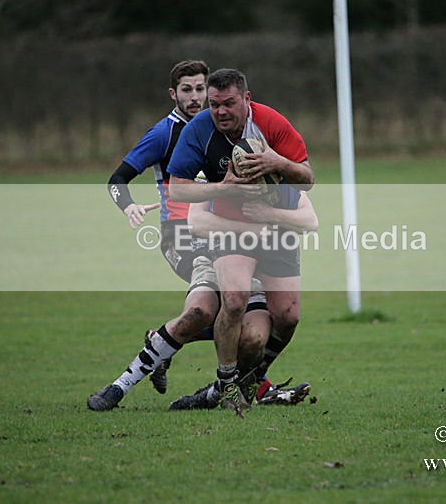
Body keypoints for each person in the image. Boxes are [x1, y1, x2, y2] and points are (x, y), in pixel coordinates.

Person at [87, 61, 312, 411]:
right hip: (189, 232)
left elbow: (307, 192)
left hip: (253, 233)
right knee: (213, 308)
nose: (204, 102)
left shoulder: (267, 127)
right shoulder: (175, 132)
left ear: (245, 99)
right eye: (195, 93)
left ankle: (213, 371)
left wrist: (276, 169)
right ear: (173, 93)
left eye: (201, 90)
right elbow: (126, 181)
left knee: (258, 322)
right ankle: (174, 381)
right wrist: (127, 205)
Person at [168, 68, 314, 414]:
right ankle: (227, 381)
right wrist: (224, 188)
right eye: (214, 104)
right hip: (229, 226)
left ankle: (250, 379)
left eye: (229, 103)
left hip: (275, 229)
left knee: (288, 316)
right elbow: (177, 188)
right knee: (233, 300)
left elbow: (307, 179)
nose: (220, 111)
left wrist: (276, 162)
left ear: (246, 99)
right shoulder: (199, 129)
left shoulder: (272, 123)